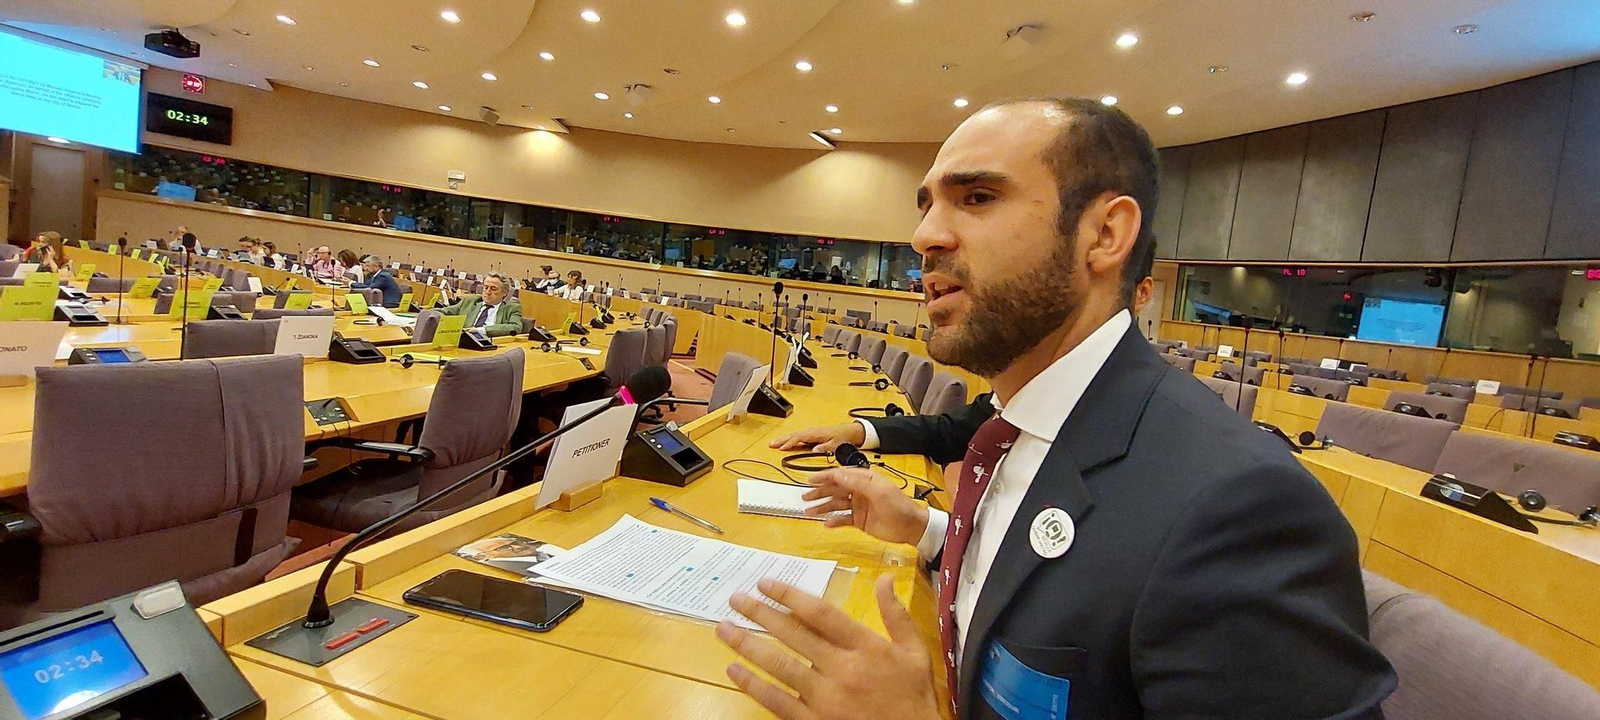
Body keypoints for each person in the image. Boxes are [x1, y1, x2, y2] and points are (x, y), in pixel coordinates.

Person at [728, 97, 1394, 719]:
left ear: (1103, 233)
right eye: (926, 205)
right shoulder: (1023, 422)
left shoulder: (1239, 507)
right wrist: (930, 533)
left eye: (978, 197)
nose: (925, 235)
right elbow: (1060, 588)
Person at [438, 273, 522, 336]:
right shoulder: (469, 302)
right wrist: (428, 313)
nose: (488, 292)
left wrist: (481, 330)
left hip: (490, 343)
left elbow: (516, 327)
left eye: (493, 289)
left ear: (504, 293)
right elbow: (445, 311)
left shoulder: (512, 308)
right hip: (465, 340)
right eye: (486, 287)